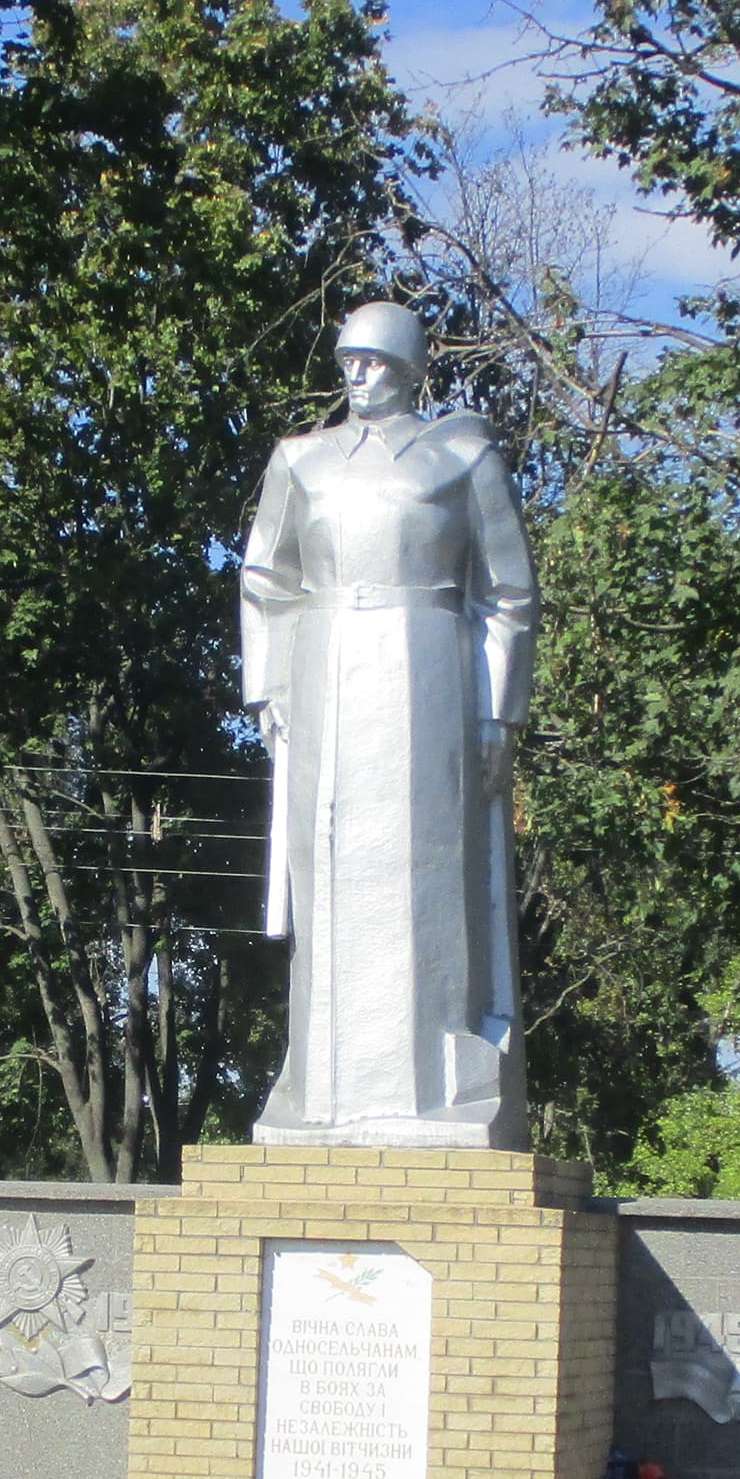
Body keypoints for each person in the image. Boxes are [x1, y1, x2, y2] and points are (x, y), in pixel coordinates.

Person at [238, 302, 538, 1147]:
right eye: (348, 361)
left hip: (429, 667)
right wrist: (268, 690)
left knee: (427, 875)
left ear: (410, 368)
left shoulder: (459, 458)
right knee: (327, 875)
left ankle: (439, 1093)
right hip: (326, 668)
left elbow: (508, 594)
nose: (357, 376)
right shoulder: (303, 461)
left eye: (374, 361)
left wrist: (495, 711)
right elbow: (267, 578)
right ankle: (319, 1097)